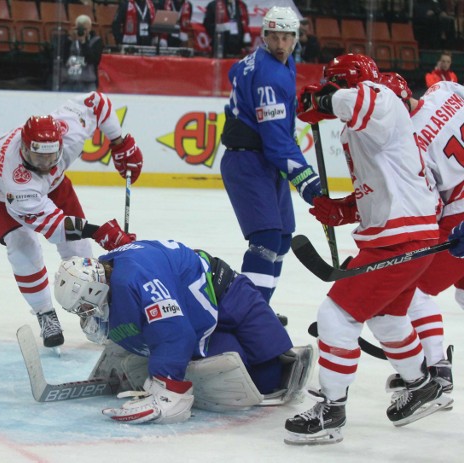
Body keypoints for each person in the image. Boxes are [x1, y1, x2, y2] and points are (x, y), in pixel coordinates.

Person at [287, 54, 450, 445]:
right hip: (408, 234)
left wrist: (323, 100)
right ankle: (421, 384)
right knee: (386, 318)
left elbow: (356, 99)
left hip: (399, 237)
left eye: (334, 84)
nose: (330, 93)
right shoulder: (360, 129)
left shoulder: (380, 99)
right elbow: (384, 186)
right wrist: (345, 209)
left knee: (336, 316)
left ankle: (332, 409)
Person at [53, 240, 313, 424]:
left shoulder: (134, 279)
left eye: (85, 307)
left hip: (229, 294)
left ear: (94, 290)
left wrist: (169, 391)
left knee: (276, 373)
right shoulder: (110, 273)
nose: (87, 313)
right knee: (256, 376)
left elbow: (175, 332)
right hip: (197, 318)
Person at [0, 91, 143, 348]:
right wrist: (99, 231)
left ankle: (90, 312)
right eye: (38, 158)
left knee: (80, 251)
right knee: (22, 246)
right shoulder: (17, 180)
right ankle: (44, 313)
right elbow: (55, 228)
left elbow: (97, 102)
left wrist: (119, 142)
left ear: (60, 145)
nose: (44, 163)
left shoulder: (69, 130)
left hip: (54, 184)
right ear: (24, 148)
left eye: (51, 157)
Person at [220, 6, 322, 304]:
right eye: (273, 37)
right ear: (264, 36)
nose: (280, 45)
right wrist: (308, 182)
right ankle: (248, 316)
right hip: (249, 160)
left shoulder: (260, 63)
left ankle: (259, 309)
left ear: (295, 39)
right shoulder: (271, 74)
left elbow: (235, 73)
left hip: (261, 159)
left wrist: (292, 105)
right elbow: (277, 142)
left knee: (281, 239)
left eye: (286, 38)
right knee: (265, 240)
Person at [379, 72, 461, 394]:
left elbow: (430, 208)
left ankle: (438, 369)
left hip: (460, 217)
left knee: (413, 289)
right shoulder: (443, 90)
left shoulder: (413, 140)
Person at [59, 15, 103, 92]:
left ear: (89, 28)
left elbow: (93, 59)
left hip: (88, 82)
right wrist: (69, 40)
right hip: (68, 81)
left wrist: (83, 42)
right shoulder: (66, 40)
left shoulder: (96, 41)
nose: (81, 31)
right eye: (79, 28)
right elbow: (62, 57)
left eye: (84, 29)